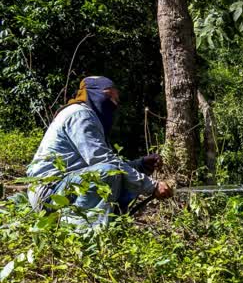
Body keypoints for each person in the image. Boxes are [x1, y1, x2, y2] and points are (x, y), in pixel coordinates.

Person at [26, 76, 173, 227]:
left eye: (115, 99)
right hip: (49, 193)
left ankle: (96, 229)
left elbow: (107, 165)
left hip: (65, 187)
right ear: (91, 94)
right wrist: (152, 186)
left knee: (111, 172)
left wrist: (141, 165)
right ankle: (81, 234)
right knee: (107, 172)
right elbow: (104, 163)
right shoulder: (80, 115)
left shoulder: (90, 118)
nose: (114, 102)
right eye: (108, 96)